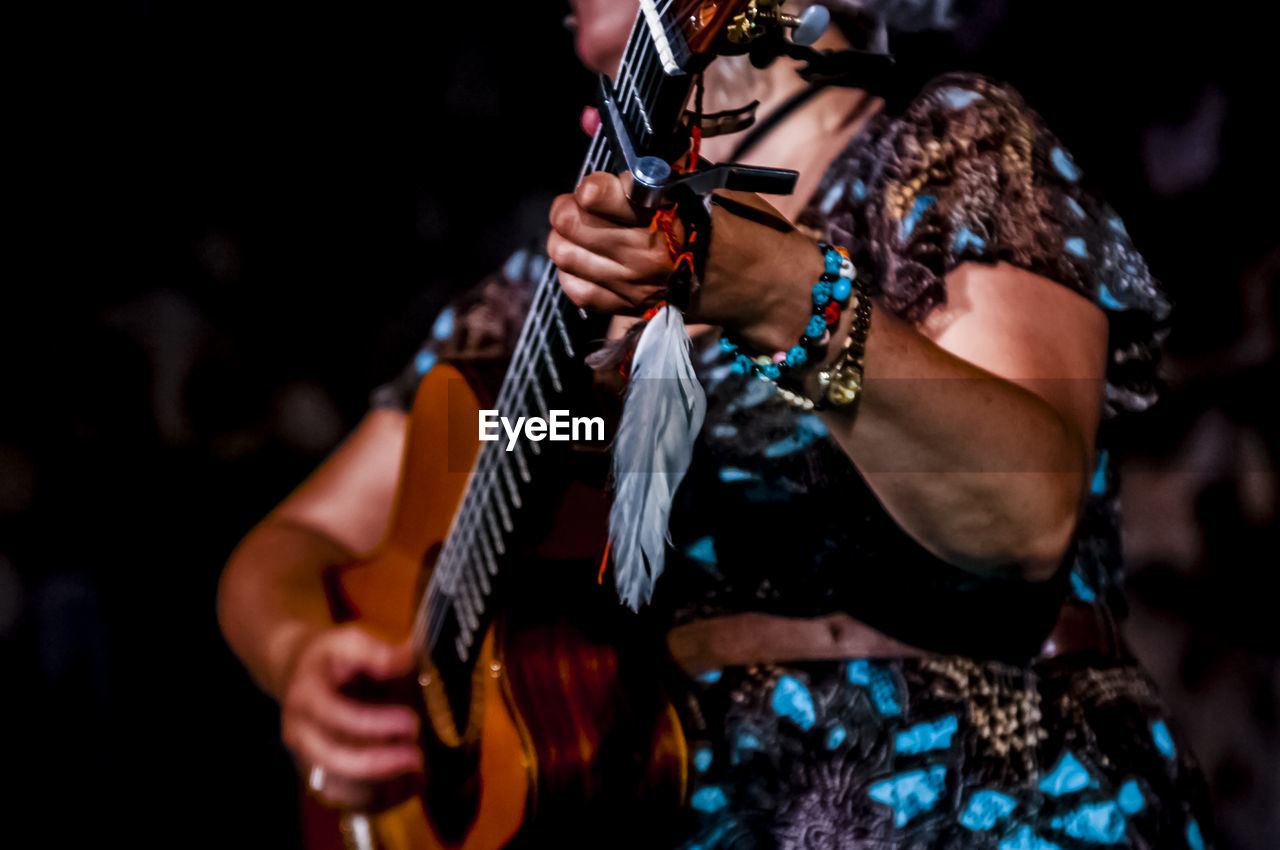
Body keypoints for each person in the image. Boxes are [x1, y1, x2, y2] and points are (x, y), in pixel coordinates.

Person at [218, 1, 1215, 846]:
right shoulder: (535, 294)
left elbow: (1022, 517)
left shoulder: (948, 147)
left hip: (988, 805)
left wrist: (783, 296)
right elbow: (289, 546)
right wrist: (304, 654)